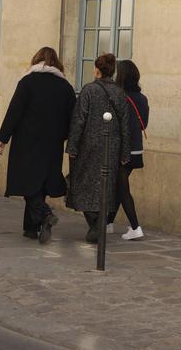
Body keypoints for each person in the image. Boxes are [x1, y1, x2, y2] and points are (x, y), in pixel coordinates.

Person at [0, 47, 75, 243]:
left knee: (28, 183)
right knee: (40, 183)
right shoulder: (65, 86)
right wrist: (64, 137)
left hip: (27, 142)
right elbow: (72, 117)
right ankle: (31, 228)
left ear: (36, 61)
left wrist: (2, 139)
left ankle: (45, 214)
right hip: (52, 143)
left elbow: (15, 111)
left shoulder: (27, 82)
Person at [66, 53, 132, 244]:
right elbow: (125, 125)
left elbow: (79, 120)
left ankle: (95, 223)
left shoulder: (88, 90)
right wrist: (125, 152)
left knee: (82, 183)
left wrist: (72, 146)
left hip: (90, 144)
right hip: (112, 146)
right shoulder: (120, 93)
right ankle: (99, 222)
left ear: (97, 69)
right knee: (106, 185)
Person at [115, 59, 149, 241]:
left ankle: (135, 227)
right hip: (136, 149)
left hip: (123, 150)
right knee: (118, 185)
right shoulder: (142, 98)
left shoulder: (120, 97)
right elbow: (144, 123)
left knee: (121, 188)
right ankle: (107, 223)